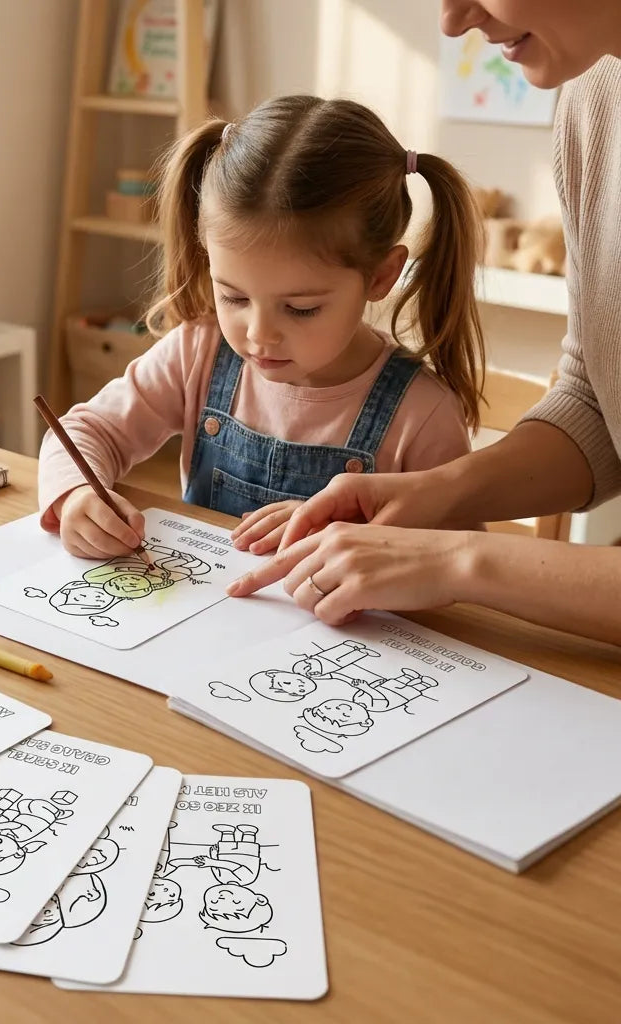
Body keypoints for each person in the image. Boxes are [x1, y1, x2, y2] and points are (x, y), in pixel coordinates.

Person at [227, 2, 621, 647]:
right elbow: (600, 401)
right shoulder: (594, 96)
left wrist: (461, 562)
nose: (453, 20)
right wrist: (439, 492)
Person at [38, 92, 487, 559]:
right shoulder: (198, 352)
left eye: (300, 308)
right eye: (234, 297)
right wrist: (76, 495)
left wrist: (356, 538)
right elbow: (88, 431)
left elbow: (458, 559)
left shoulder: (422, 414)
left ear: (380, 276)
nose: (258, 334)